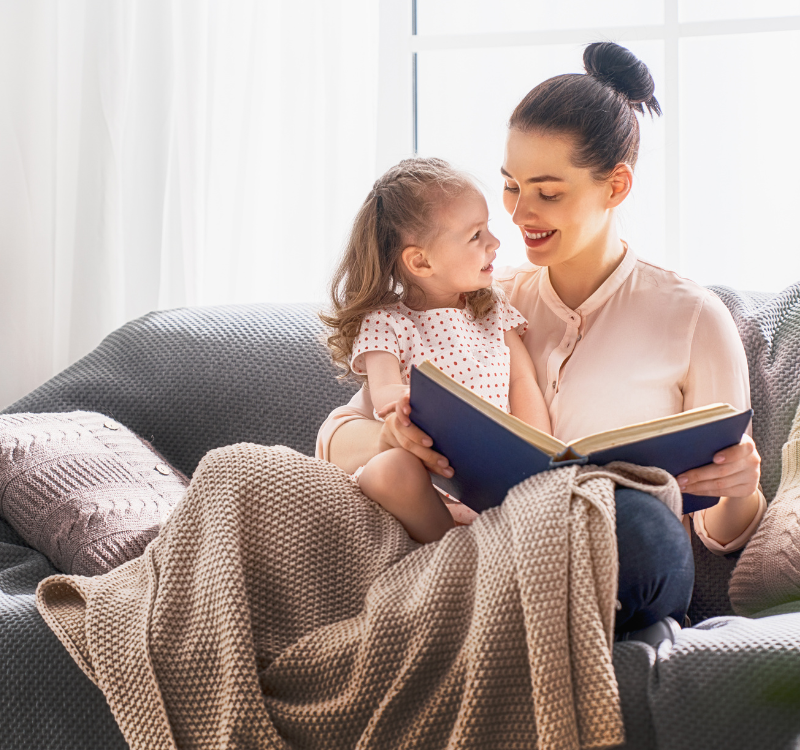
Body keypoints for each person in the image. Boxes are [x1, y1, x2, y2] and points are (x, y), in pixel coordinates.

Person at [317, 41, 765, 636]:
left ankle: (499, 597)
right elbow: (335, 436)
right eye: (511, 185)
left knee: (637, 524)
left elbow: (718, 532)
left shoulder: (693, 318)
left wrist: (743, 490)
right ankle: (489, 603)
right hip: (491, 541)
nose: (519, 213)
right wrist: (392, 437)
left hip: (627, 556)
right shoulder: (477, 299)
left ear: (616, 186)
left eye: (548, 192)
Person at [320, 157, 552, 543]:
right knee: (389, 469)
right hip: (426, 476)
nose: (494, 242)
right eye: (476, 235)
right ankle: (455, 556)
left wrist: (539, 455)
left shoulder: (492, 310)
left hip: (492, 479)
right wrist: (421, 410)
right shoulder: (388, 322)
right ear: (421, 261)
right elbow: (386, 395)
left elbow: (522, 378)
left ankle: (472, 547)